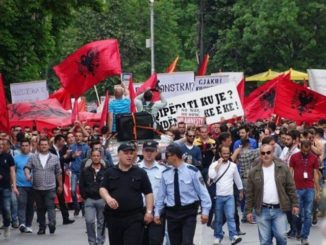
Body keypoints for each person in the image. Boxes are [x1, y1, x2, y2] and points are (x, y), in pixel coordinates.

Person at [154, 143, 211, 245]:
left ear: (174, 156)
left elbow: (203, 192)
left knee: (187, 242)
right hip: (171, 214)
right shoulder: (165, 173)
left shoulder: (192, 171)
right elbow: (161, 195)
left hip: (188, 212)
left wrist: (205, 212)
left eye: (167, 155)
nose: (165, 158)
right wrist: (157, 212)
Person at [100, 143, 154, 245]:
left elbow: (148, 193)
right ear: (119, 154)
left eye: (131, 153)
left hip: (134, 217)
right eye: (126, 153)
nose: (129, 156)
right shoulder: (110, 172)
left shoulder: (140, 172)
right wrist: (108, 198)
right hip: (114, 218)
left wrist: (149, 212)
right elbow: (102, 188)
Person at [246, 144, 299, 245]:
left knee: (281, 237)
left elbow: (290, 187)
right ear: (260, 155)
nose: (265, 155)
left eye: (268, 152)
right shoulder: (253, 172)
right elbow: (250, 193)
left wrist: (295, 204)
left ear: (272, 153)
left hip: (280, 209)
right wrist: (248, 211)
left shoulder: (282, 168)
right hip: (262, 210)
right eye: (263, 153)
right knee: (265, 240)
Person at [24, 138, 63, 235]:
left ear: (48, 146)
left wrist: (60, 185)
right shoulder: (33, 157)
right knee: (40, 208)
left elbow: (58, 172)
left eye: (46, 144)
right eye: (42, 144)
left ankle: (52, 223)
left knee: (50, 206)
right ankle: (42, 227)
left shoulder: (54, 158)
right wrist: (28, 175)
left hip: (50, 187)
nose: (44, 146)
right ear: (39, 146)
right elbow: (27, 167)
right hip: (37, 187)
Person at [208, 146, 243, 245]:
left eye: (228, 153)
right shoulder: (214, 165)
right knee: (218, 218)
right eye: (224, 153)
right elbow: (212, 176)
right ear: (220, 154)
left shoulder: (233, 166)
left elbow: (237, 179)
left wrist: (241, 191)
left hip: (229, 196)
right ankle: (218, 236)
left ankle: (233, 236)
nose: (226, 155)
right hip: (218, 196)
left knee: (230, 216)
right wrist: (218, 165)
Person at [289, 140, 320, 245]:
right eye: (303, 149)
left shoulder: (314, 158)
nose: (306, 152)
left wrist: (318, 189)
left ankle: (304, 237)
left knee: (308, 214)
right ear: (300, 147)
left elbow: (316, 174)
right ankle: (298, 231)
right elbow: (290, 171)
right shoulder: (294, 157)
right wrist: (290, 187)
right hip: (297, 188)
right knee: (297, 213)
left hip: (309, 188)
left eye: (308, 150)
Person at [138, 140, 167, 245]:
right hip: (138, 211)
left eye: (152, 151)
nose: (149, 153)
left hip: (157, 211)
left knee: (156, 241)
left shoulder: (163, 170)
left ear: (156, 152)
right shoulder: (135, 169)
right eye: (146, 151)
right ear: (142, 151)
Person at [79, 150, 107, 245]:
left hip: (102, 199)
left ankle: (100, 242)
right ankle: (92, 242)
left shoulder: (106, 171)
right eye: (94, 156)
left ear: (100, 157)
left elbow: (110, 185)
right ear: (91, 157)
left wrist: (107, 198)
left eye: (97, 155)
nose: (96, 157)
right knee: (89, 221)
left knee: (101, 223)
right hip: (89, 199)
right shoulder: (85, 170)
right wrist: (84, 196)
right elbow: (81, 184)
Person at [49, 134, 75, 225]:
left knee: (61, 197)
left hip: (60, 176)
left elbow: (65, 161)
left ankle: (66, 218)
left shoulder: (62, 150)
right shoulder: (50, 150)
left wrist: (72, 157)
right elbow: (54, 162)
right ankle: (48, 218)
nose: (64, 143)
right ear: (57, 141)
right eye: (62, 141)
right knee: (50, 198)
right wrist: (64, 157)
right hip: (51, 177)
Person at [14, 139, 34, 233]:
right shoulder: (16, 158)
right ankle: (22, 223)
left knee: (30, 206)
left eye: (26, 145)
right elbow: (12, 172)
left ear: (30, 146)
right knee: (22, 204)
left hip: (33, 185)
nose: (25, 147)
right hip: (20, 185)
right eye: (23, 145)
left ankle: (28, 224)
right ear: (20, 147)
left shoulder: (34, 157)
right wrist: (13, 185)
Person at [0, 139, 19, 238]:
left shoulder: (8, 156)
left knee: (6, 209)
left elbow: (12, 172)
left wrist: (14, 186)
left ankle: (7, 225)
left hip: (6, 187)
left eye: (1, 145)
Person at [70, 131, 90, 216]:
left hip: (83, 172)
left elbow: (88, 160)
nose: (78, 137)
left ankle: (83, 209)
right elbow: (68, 159)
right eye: (76, 136)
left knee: (83, 191)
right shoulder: (71, 146)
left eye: (80, 136)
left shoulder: (86, 147)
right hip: (74, 172)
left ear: (82, 137)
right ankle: (76, 207)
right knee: (73, 190)